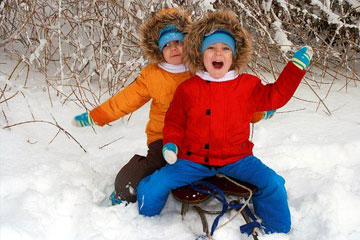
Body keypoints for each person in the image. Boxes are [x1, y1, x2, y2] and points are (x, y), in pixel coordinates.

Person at [136, 10, 312, 234]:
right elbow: (174, 122)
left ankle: (277, 230)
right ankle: (144, 223)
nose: (218, 53)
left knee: (274, 183)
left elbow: (275, 96)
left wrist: (294, 70)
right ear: (201, 55)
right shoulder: (188, 89)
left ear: (234, 56)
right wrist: (171, 144)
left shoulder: (247, 85)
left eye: (225, 48)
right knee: (155, 185)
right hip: (193, 160)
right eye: (211, 48)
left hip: (238, 159)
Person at [73, 8, 273, 205]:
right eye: (167, 45)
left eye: (179, 41)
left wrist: (259, 112)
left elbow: (232, 102)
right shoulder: (153, 76)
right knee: (159, 164)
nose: (175, 48)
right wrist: (97, 116)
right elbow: (125, 100)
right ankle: (130, 184)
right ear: (159, 50)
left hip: (200, 137)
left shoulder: (202, 70)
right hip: (163, 136)